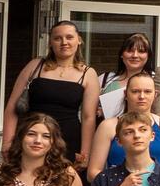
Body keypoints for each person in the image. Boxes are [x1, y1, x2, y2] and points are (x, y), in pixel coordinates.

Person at [5, 19, 97, 166]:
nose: (64, 42)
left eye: (69, 37)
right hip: (32, 139)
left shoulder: (88, 73)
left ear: (79, 40)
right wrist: (7, 143)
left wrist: (85, 153)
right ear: (50, 43)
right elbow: (12, 108)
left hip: (68, 142)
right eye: (57, 38)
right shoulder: (35, 66)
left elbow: (88, 117)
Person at [88, 71, 160, 180]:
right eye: (135, 91)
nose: (142, 96)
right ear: (125, 94)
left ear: (155, 95)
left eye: (147, 91)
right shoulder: (108, 127)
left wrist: (158, 180)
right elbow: (92, 172)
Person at [96, 32, 160, 127]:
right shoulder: (105, 80)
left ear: (148, 56)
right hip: (110, 134)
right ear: (122, 54)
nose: (135, 55)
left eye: (141, 51)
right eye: (130, 51)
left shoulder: (157, 80)